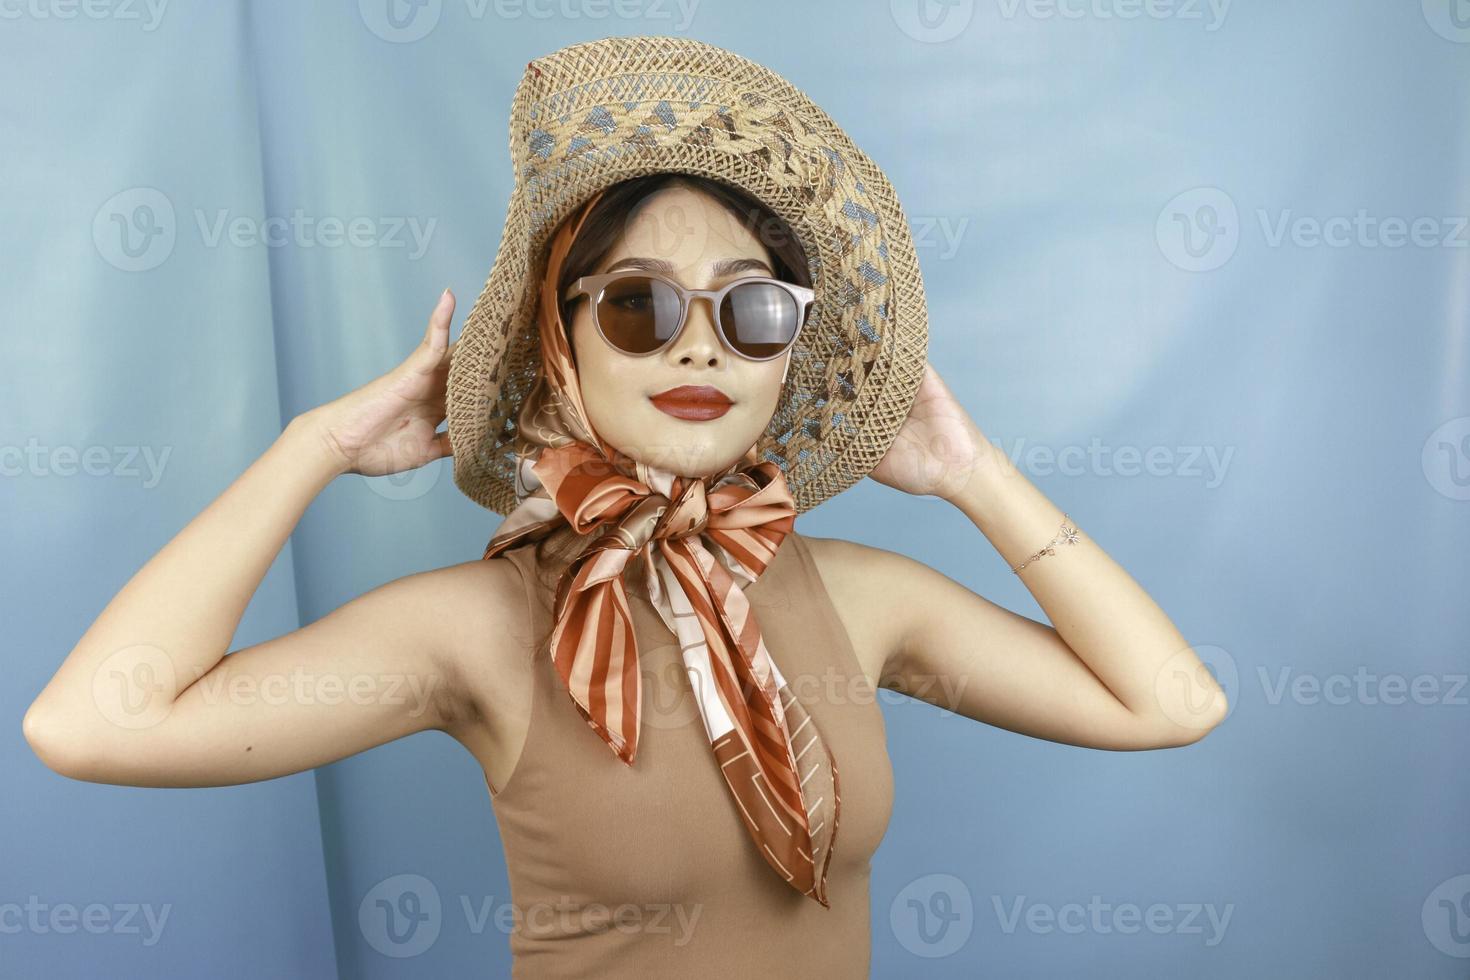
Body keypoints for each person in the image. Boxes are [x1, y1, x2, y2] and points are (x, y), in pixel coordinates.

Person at [23, 36, 1227, 978]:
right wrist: (311, 447)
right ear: (563, 345)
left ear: (784, 356)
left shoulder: (863, 601)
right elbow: (91, 726)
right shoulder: (481, 628)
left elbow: (1170, 702)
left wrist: (973, 472)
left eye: (752, 312)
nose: (699, 346)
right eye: (641, 307)